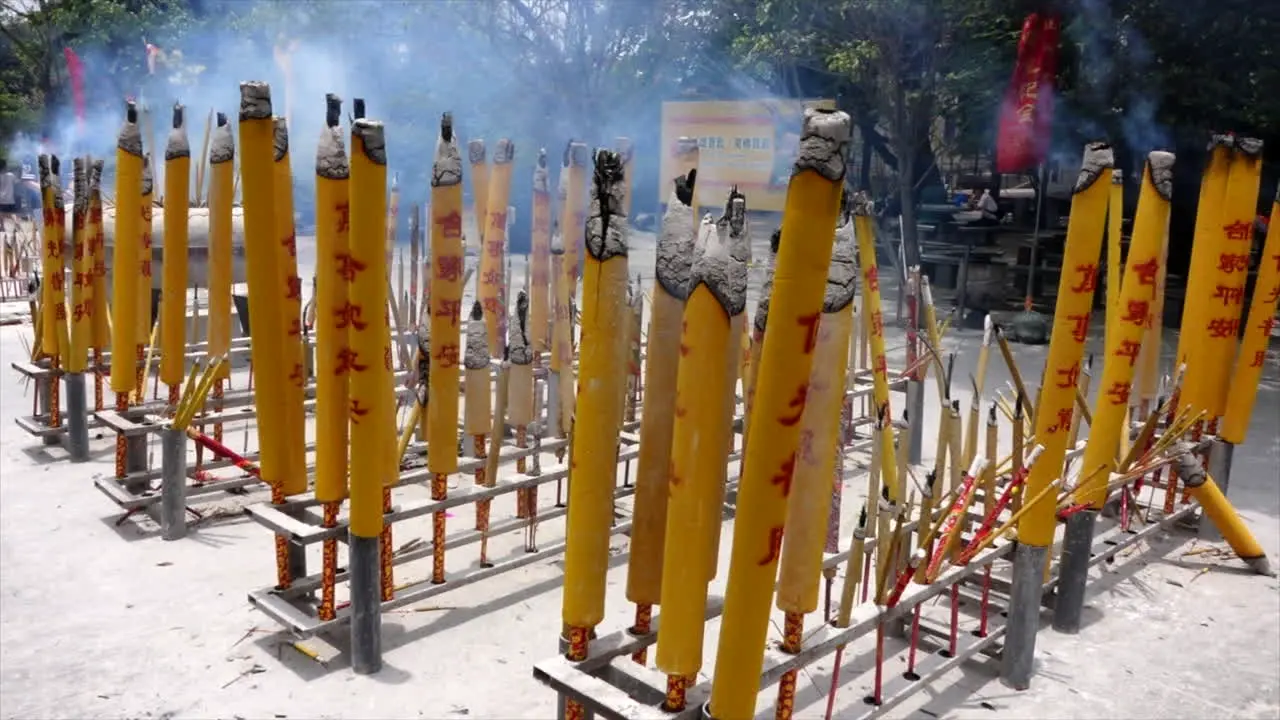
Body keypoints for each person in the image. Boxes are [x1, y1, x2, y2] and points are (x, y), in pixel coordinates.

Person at [0, 159, 17, 231]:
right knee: (12, 213)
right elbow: (16, 182)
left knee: (1, 213)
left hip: (1, 199)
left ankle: (2, 227)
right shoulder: (11, 175)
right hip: (10, 198)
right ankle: (16, 224)